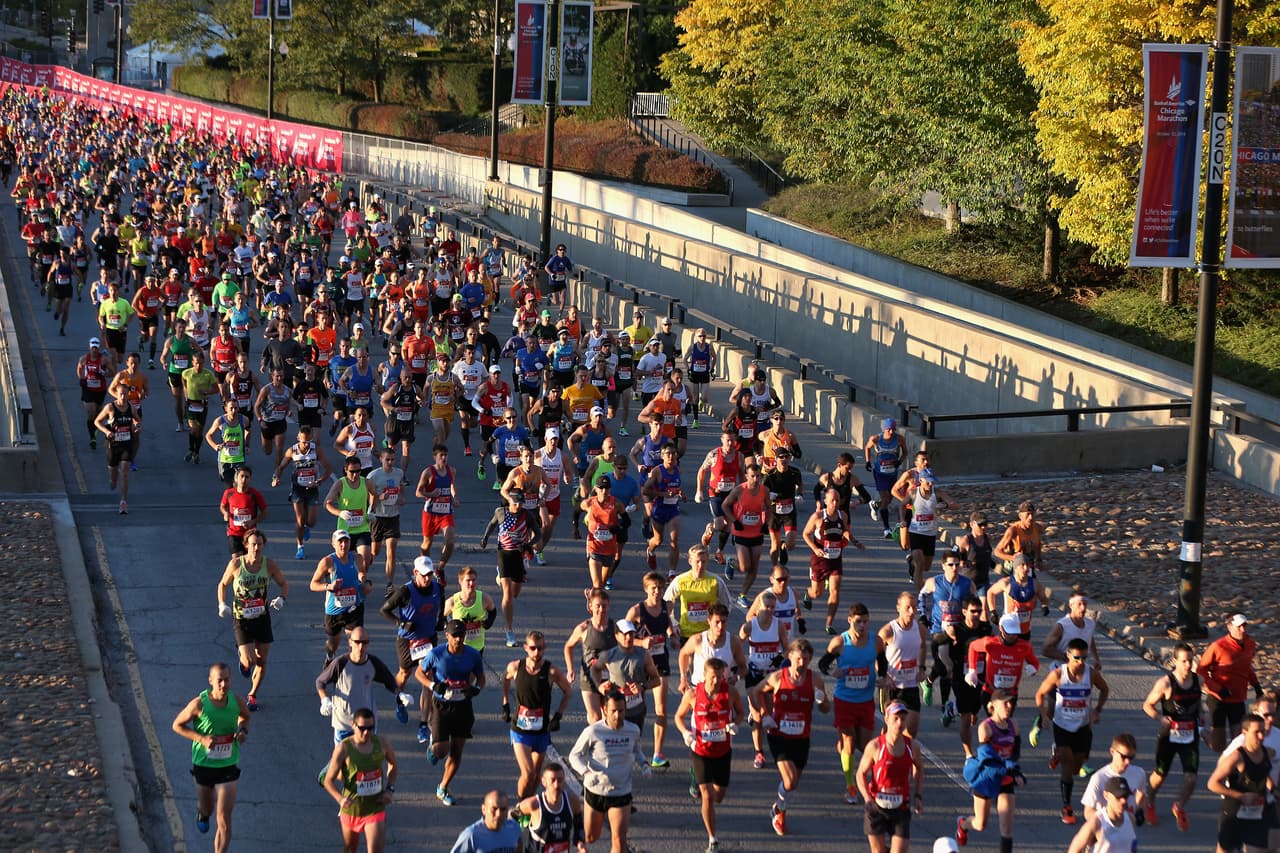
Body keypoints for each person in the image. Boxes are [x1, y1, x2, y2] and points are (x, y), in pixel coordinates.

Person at [750, 638, 831, 836]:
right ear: (790, 657)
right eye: (798, 659)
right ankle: (780, 813)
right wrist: (765, 715)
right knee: (790, 780)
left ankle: (777, 809)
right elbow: (756, 691)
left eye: (805, 659)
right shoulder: (778, 677)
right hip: (779, 735)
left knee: (793, 784)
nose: (801, 663)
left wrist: (822, 700)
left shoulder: (816, 680)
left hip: (802, 737)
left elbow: (826, 709)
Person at [171, 663, 250, 852]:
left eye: (227, 680)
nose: (223, 684)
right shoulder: (199, 704)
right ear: (211, 681)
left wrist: (242, 731)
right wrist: (201, 739)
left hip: (228, 765)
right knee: (208, 808)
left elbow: (245, 717)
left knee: (223, 818)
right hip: (204, 765)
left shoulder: (236, 701)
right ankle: (203, 813)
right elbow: (177, 725)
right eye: (219, 680)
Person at [1033, 637, 1110, 824]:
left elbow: (1105, 689)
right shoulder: (1059, 675)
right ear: (1068, 655)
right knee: (1067, 764)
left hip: (1083, 727)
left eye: (1084, 658)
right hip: (1062, 726)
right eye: (1076, 658)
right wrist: (1044, 716)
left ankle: (1058, 753)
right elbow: (1040, 694)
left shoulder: (1090, 674)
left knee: (1076, 768)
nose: (1080, 662)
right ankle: (1066, 807)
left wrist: (1097, 710)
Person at [674, 657, 745, 853]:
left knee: (718, 796)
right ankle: (712, 840)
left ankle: (700, 780)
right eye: (713, 677)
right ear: (704, 676)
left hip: (722, 752)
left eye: (720, 677)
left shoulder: (730, 692)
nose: (717, 681)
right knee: (707, 797)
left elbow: (740, 712)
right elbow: (678, 717)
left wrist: (735, 724)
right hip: (700, 751)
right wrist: (685, 733)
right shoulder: (692, 694)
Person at [568, 691, 651, 853]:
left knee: (619, 840)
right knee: (591, 837)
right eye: (613, 711)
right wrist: (585, 773)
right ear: (605, 710)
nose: (618, 715)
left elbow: (636, 751)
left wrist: (644, 764)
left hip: (621, 792)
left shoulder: (632, 730)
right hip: (596, 792)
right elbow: (574, 755)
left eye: (621, 710)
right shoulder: (593, 732)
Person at [215, 530, 289, 712]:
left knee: (262, 660)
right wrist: (222, 604)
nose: (256, 548)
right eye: (253, 544)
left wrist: (282, 598)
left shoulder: (269, 565)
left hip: (262, 617)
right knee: (250, 661)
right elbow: (223, 584)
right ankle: (244, 659)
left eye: (260, 544)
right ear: (246, 545)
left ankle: (253, 694)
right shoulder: (235, 565)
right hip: (242, 618)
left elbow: (284, 584)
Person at [416, 618, 487, 806]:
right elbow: (419, 673)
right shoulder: (436, 654)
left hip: (463, 705)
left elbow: (481, 678)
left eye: (461, 635)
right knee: (441, 751)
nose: (458, 639)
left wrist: (476, 689)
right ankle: (434, 746)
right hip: (441, 706)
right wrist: (432, 685)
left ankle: (443, 787)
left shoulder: (472, 655)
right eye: (454, 635)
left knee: (457, 750)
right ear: (447, 636)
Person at [819, 602, 883, 803]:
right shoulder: (840, 643)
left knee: (865, 746)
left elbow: (883, 661)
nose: (862, 626)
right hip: (844, 701)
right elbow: (823, 663)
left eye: (865, 621)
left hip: (865, 701)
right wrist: (832, 671)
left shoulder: (876, 641)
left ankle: (870, 779)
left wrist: (882, 676)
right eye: (858, 622)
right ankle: (851, 786)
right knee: (849, 743)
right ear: (850, 621)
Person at [1142, 641, 1207, 832]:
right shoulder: (1165, 683)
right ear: (1175, 661)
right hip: (1169, 736)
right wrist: (1161, 718)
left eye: (1190, 661)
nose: (1188, 665)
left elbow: (1198, 703)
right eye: (1184, 661)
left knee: (1192, 779)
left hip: (1190, 736)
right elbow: (1147, 706)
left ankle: (1179, 807)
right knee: (1160, 775)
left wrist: (1202, 715)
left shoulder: (1198, 681)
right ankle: (1150, 801)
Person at [380, 555, 446, 743]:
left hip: (428, 639)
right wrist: (401, 622)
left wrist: (440, 621)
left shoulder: (438, 589)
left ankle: (423, 724)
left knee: (427, 678)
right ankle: (399, 699)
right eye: (424, 575)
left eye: (430, 575)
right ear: (415, 573)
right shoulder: (404, 592)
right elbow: (384, 610)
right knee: (404, 674)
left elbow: (441, 603)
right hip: (408, 640)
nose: (427, 579)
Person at [502, 629, 573, 800]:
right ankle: (520, 807)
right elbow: (505, 679)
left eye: (540, 648)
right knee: (527, 774)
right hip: (520, 731)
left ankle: (527, 805)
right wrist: (506, 703)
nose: (537, 652)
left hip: (541, 731)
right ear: (525, 647)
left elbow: (568, 691)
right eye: (533, 648)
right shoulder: (515, 667)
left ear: (545, 647)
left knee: (535, 775)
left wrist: (558, 716)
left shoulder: (551, 671)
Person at [954, 689, 1025, 851]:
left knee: (1007, 828)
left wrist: (1014, 770)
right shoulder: (986, 728)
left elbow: (1016, 753)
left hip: (1005, 780)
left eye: (1011, 702)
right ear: (993, 705)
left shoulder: (1014, 725)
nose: (1009, 706)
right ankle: (963, 825)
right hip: (987, 778)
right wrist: (1010, 769)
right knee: (980, 824)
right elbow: (989, 758)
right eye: (1005, 702)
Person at [322, 705, 398, 853]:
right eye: (362, 728)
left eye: (370, 728)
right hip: (352, 809)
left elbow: (393, 765)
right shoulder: (344, 748)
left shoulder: (382, 743)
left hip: (375, 807)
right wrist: (340, 799)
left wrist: (390, 789)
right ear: (353, 725)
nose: (366, 732)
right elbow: (328, 781)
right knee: (350, 848)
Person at [856, 700, 924, 853]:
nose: (900, 723)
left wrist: (918, 795)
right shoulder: (875, 746)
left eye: (903, 719)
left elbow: (919, 768)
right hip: (876, 808)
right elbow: (860, 773)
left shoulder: (912, 746)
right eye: (896, 718)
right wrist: (867, 798)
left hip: (901, 808)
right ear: (887, 719)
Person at [1208, 712, 1274, 853]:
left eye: (1263, 732)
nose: (1261, 736)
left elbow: (1264, 773)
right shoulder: (1236, 758)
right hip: (1234, 814)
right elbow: (1212, 783)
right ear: (1245, 732)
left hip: (1258, 814)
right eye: (1257, 732)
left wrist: (1273, 788)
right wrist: (1240, 796)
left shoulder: (1267, 753)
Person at [801, 486, 864, 634]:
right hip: (820, 560)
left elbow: (846, 532)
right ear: (825, 501)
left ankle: (829, 624)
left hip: (836, 560)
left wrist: (855, 542)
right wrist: (815, 549)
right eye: (832, 500)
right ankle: (808, 594)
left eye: (837, 500)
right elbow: (805, 534)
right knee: (818, 593)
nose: (835, 503)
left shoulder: (843, 516)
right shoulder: (817, 517)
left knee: (835, 591)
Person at [918, 552, 974, 717]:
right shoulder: (934, 582)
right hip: (938, 630)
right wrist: (923, 616)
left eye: (957, 564)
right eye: (950, 565)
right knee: (947, 666)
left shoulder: (967, 584)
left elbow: (974, 604)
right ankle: (944, 706)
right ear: (943, 566)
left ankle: (928, 681)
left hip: (958, 631)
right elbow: (922, 595)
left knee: (952, 666)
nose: (954, 568)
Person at [1198, 612, 1262, 751]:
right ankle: (1201, 731)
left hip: (1238, 699)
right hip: (1218, 699)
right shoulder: (1218, 646)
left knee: (1239, 742)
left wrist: (1257, 686)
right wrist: (1217, 688)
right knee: (1218, 746)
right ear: (1229, 626)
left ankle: (1233, 771)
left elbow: (1246, 666)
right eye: (1239, 627)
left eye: (1245, 626)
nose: (1243, 630)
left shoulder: (1250, 644)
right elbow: (1201, 671)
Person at [310, 530, 376, 662]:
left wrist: (364, 583)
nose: (343, 545)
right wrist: (329, 587)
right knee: (333, 643)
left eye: (346, 541)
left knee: (355, 643)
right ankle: (330, 656)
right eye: (340, 541)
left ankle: (351, 671)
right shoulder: (327, 562)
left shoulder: (357, 558)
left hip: (354, 607)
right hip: (334, 610)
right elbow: (313, 584)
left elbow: (362, 573)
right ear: (333, 544)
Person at [273, 426, 334, 560]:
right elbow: (281, 467)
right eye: (303, 441)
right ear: (298, 438)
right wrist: (276, 477)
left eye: (308, 441)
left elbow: (328, 468)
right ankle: (300, 547)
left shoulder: (316, 450)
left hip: (312, 488)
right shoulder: (292, 451)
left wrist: (319, 481)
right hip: (297, 488)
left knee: (311, 522)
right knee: (300, 521)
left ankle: (307, 527)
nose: (305, 445)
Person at [720, 461, 771, 610]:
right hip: (741, 531)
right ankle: (731, 562)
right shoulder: (739, 490)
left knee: (754, 568)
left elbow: (768, 507)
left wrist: (766, 522)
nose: (756, 479)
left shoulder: (764, 491)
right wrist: (734, 521)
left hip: (757, 532)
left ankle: (742, 595)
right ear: (746, 476)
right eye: (753, 476)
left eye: (758, 476)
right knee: (744, 567)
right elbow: (725, 505)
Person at [564, 588, 617, 726]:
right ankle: (596, 745)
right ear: (591, 607)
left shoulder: (614, 627)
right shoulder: (583, 628)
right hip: (589, 677)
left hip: (610, 677)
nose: (601, 609)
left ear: (609, 606)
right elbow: (568, 646)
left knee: (610, 717)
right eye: (597, 606)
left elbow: (625, 646)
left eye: (604, 606)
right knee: (595, 718)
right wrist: (570, 669)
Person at [878, 591, 928, 737]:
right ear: (898, 608)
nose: (912, 612)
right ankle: (883, 754)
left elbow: (923, 646)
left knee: (911, 731)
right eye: (907, 608)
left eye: (914, 607)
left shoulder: (920, 629)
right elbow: (876, 654)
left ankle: (904, 757)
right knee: (892, 730)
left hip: (911, 684)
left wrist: (922, 668)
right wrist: (884, 675)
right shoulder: (888, 631)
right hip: (892, 686)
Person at [510, 762, 588, 853]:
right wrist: (518, 843)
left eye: (560, 780)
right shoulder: (533, 805)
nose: (556, 785)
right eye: (553, 780)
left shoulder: (572, 802)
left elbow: (579, 827)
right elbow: (510, 822)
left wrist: (580, 844)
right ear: (544, 782)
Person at [1079, 733, 1149, 823]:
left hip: (1126, 830)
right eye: (1124, 757)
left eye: (1131, 757)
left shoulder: (1139, 773)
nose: (1127, 762)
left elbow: (1141, 793)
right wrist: (1109, 822)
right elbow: (1088, 812)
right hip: (1105, 831)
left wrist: (1139, 810)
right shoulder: (1099, 778)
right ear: (1112, 752)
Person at [94, 382, 140, 514]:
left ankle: (123, 502)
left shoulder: (131, 408)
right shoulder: (110, 408)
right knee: (114, 475)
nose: (124, 397)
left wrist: (137, 426)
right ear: (116, 394)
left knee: (124, 472)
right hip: (113, 445)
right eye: (121, 394)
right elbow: (97, 421)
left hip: (126, 444)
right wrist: (107, 432)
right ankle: (113, 481)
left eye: (126, 394)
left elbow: (137, 420)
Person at [366, 447, 407, 594]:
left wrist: (402, 497)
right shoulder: (373, 476)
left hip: (393, 517)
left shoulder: (398, 473)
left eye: (392, 459)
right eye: (387, 459)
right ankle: (364, 570)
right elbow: (367, 495)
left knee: (391, 552)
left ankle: (390, 584)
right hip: (377, 517)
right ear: (381, 459)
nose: (390, 462)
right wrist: (378, 497)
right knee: (375, 552)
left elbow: (400, 487)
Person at [325, 455, 375, 574]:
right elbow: (327, 504)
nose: (355, 475)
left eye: (358, 471)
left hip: (362, 528)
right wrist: (340, 513)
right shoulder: (340, 484)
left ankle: (361, 584)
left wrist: (371, 510)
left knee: (365, 560)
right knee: (344, 563)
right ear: (346, 470)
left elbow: (374, 495)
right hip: (345, 530)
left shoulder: (366, 482)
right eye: (352, 471)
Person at [417, 444, 460, 579]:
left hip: (446, 512)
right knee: (427, 543)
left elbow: (452, 486)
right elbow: (418, 492)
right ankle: (425, 568)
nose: (444, 458)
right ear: (434, 457)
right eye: (441, 455)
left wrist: (455, 497)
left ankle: (439, 568)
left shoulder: (451, 471)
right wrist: (430, 493)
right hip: (430, 513)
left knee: (450, 541)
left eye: (445, 455)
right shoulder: (428, 472)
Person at [985, 554, 1050, 643]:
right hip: (1009, 627)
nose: (1026, 568)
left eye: (1027, 565)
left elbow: (1043, 596)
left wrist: (1044, 605)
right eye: (1022, 565)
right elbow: (990, 592)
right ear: (1015, 568)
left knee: (1021, 653)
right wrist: (993, 612)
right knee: (1008, 653)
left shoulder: (1035, 584)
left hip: (1025, 628)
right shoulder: (1006, 583)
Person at [1065, 776, 1137, 853]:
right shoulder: (1096, 823)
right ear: (1106, 795)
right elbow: (1074, 850)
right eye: (1118, 797)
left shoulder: (1130, 818)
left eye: (1125, 796)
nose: (1123, 801)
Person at [863, 418, 906, 537]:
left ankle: (875, 505)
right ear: (884, 429)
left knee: (889, 500)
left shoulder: (899, 439)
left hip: (892, 473)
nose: (891, 432)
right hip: (880, 473)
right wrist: (867, 462)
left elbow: (906, 452)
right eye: (889, 429)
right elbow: (867, 447)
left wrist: (899, 461)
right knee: (886, 497)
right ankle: (887, 529)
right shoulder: (876, 438)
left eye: (893, 429)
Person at [446, 566, 499, 658]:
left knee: (474, 672)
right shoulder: (452, 602)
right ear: (460, 581)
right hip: (458, 646)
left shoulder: (484, 599)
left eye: (474, 580)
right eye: (468, 580)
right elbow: (441, 617)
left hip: (477, 647)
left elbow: (493, 611)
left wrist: (489, 622)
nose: (471, 583)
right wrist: (449, 627)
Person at [450, 790, 523, 853]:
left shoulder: (514, 828)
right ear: (484, 809)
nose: (498, 814)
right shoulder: (471, 835)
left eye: (503, 809)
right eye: (494, 809)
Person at [218, 466, 267, 557]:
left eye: (247, 477)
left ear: (250, 479)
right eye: (242, 476)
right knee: (236, 558)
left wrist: (253, 521)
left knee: (248, 559)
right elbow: (222, 506)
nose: (244, 479)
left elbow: (264, 512)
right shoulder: (229, 493)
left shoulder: (255, 494)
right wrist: (225, 513)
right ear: (236, 479)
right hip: (233, 532)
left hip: (249, 533)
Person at [993, 500, 1047, 575]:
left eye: (1032, 514)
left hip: (1028, 564)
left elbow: (1038, 545)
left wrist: (1039, 560)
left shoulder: (1037, 528)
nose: (1030, 517)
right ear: (1020, 516)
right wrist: (1013, 558)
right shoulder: (1013, 530)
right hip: (1013, 566)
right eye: (1027, 514)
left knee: (1031, 585)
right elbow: (997, 552)